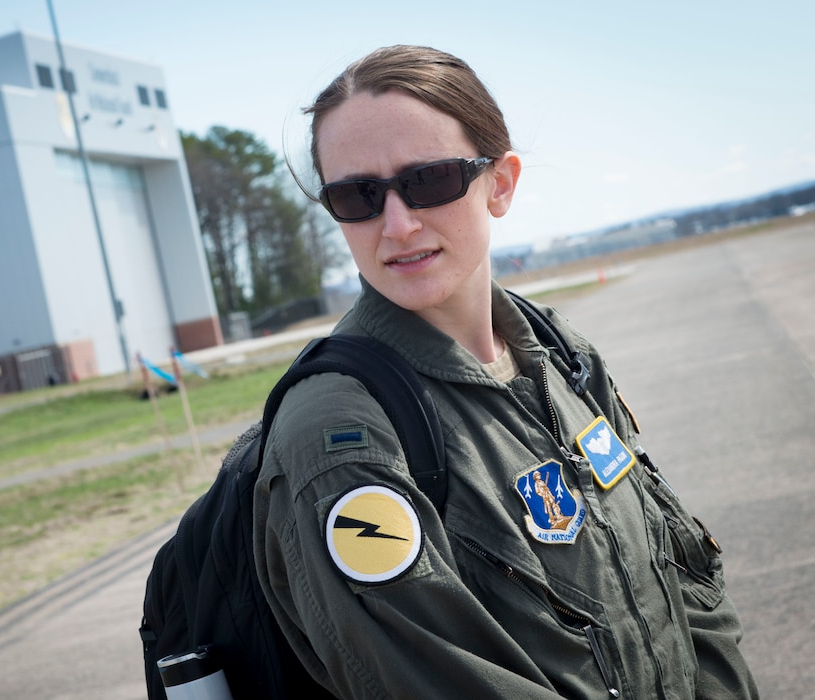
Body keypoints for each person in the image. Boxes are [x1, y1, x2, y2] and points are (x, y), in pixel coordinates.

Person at [252, 45, 758, 699]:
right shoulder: (341, 435)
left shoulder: (560, 353)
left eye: (429, 180)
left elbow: (685, 579)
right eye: (359, 196)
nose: (398, 225)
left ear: (501, 183)